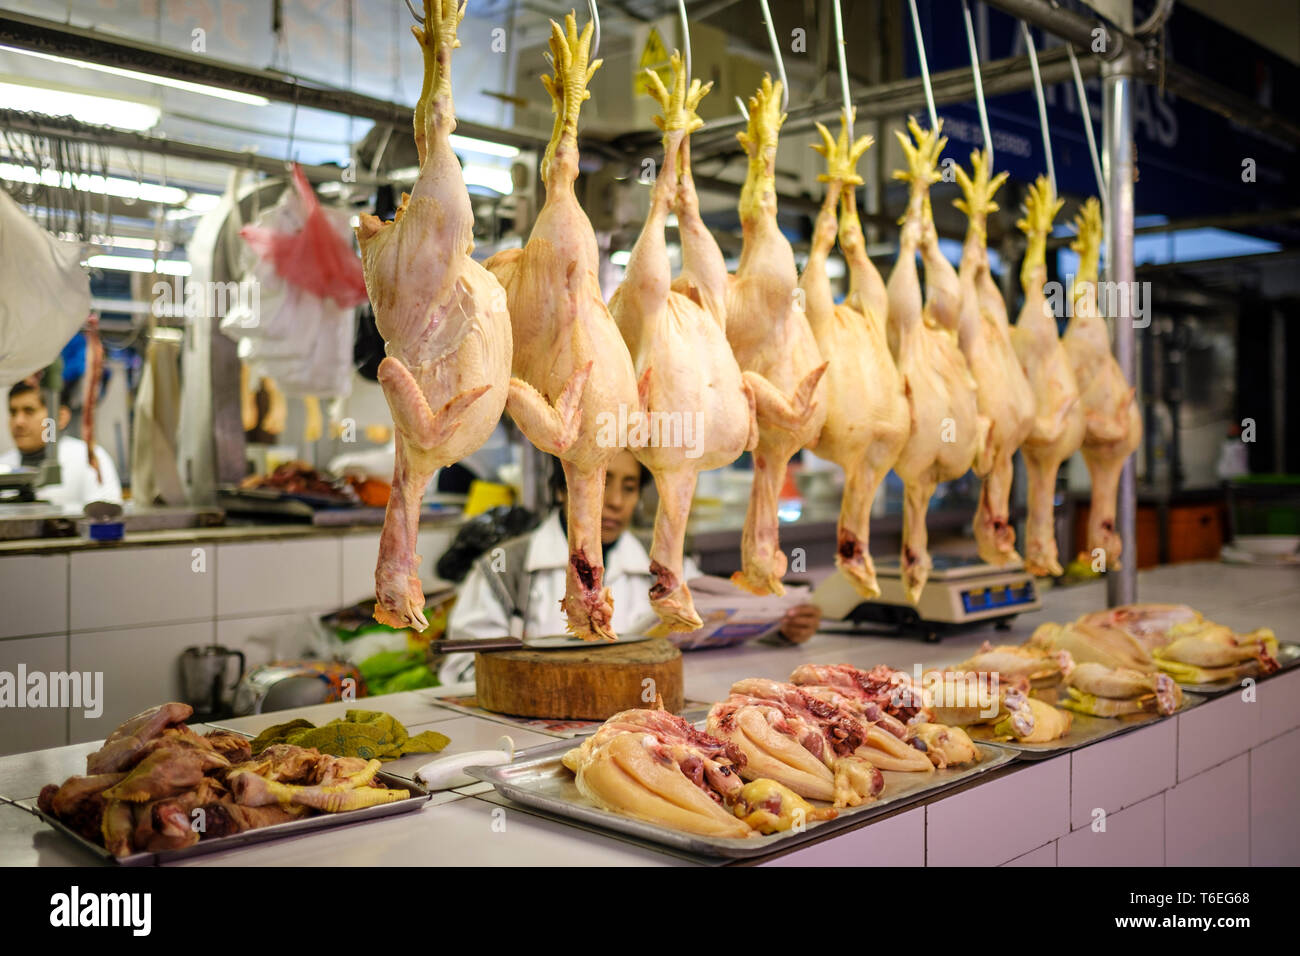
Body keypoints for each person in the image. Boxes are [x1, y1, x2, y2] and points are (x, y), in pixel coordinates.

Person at [440, 448, 821, 685]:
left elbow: (717, 632)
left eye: (628, 486)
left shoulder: (663, 562)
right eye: (601, 484)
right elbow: (459, 669)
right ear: (562, 488)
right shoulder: (508, 567)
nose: (616, 502)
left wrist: (781, 630)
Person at [2, 377, 121, 511]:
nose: (18, 422)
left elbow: (105, 517)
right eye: (13, 412)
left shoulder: (88, 458)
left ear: (60, 417)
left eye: (29, 411)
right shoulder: (4, 465)